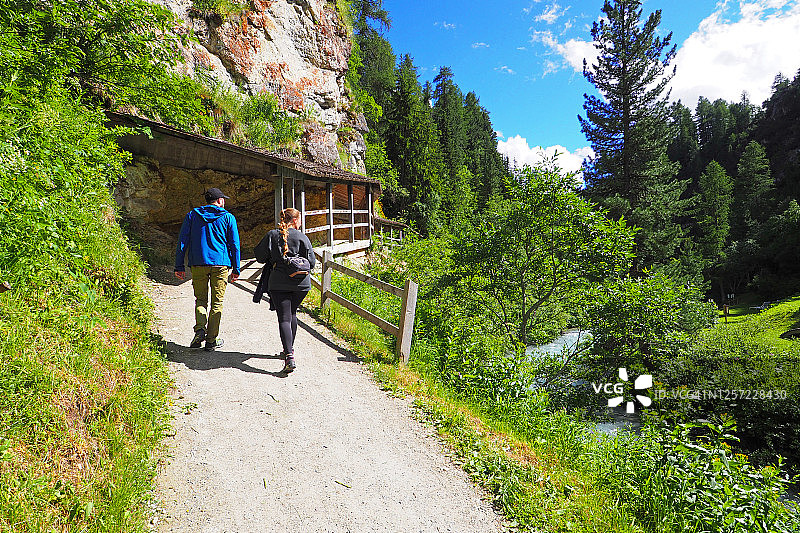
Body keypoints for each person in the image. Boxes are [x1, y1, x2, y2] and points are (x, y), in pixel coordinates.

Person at [174, 187, 241, 351]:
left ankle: (200, 330)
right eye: (223, 199)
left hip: (198, 263)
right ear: (220, 201)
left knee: (201, 300)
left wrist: (179, 265)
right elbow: (234, 245)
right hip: (220, 265)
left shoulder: (192, 215)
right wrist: (236, 268)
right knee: (217, 303)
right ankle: (211, 340)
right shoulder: (228, 218)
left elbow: (183, 241)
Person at [255, 208, 315, 373]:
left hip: (278, 283)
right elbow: (312, 262)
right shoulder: (303, 237)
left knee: (284, 318)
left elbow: (259, 257)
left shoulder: (272, 235)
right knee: (292, 313)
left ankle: (289, 355)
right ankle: (290, 350)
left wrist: (274, 257)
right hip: (301, 285)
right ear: (295, 221)